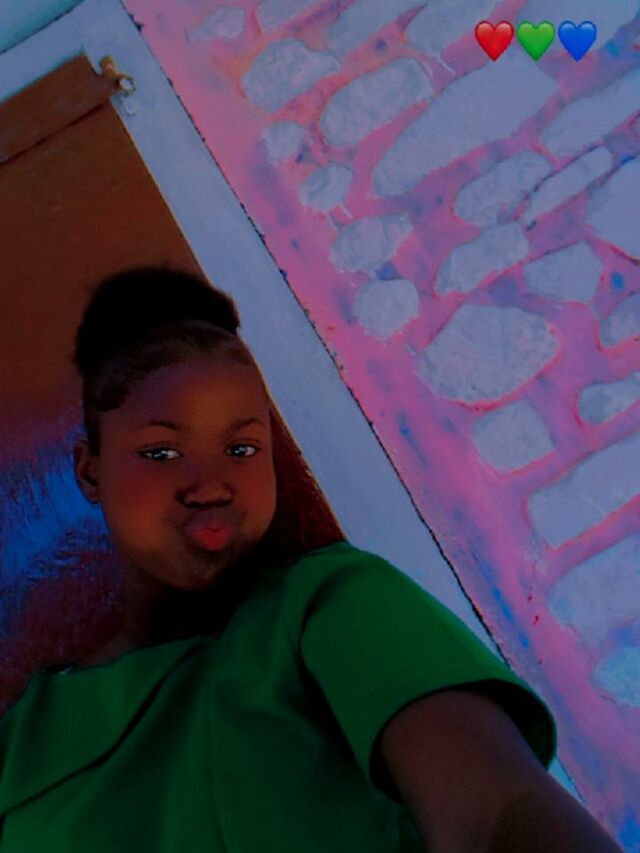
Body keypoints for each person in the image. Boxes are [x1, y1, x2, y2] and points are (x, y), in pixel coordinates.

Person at [0, 266, 621, 852]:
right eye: (162, 453)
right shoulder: (29, 735)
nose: (211, 486)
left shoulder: (331, 606)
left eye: (242, 448)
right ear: (90, 471)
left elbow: (496, 812)